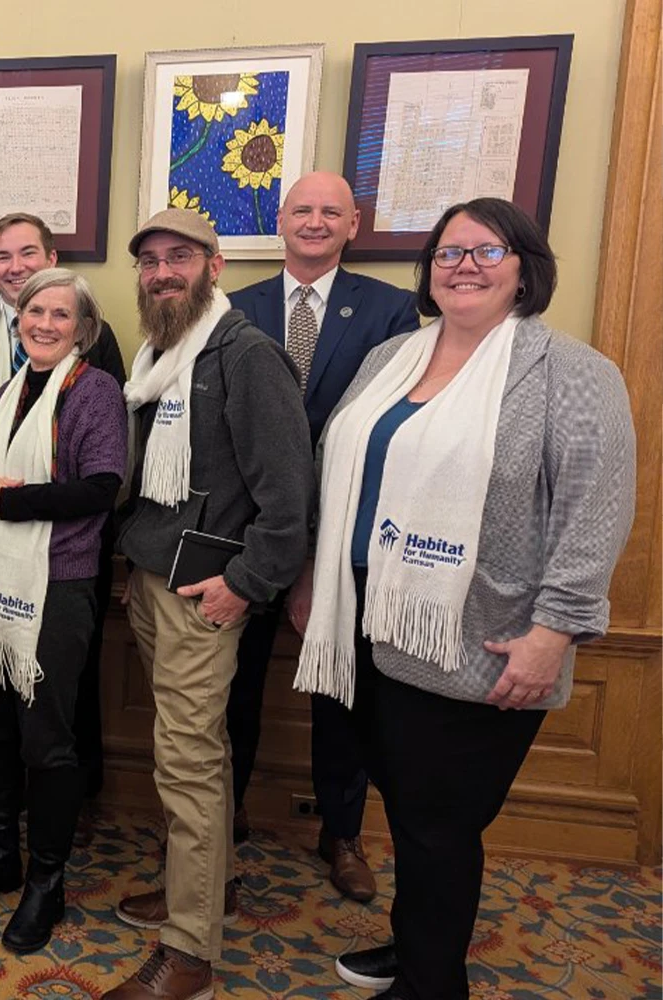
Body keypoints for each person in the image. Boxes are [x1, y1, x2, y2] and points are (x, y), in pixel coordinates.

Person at [296, 199, 635, 1000]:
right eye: (449, 253)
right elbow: (331, 468)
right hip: (368, 627)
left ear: (526, 267)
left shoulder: (571, 373)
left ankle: (430, 980)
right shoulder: (392, 359)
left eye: (487, 251)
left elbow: (594, 512)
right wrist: (314, 578)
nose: (465, 267)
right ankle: (419, 944)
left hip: (481, 638)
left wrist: (555, 632)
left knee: (439, 825)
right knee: (408, 811)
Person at [104, 209, 313, 1000]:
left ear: (215, 266)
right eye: (150, 261)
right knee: (198, 751)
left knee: (187, 761)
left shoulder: (245, 355)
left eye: (179, 258)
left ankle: (189, 953)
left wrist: (249, 584)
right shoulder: (159, 356)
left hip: (209, 591)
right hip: (154, 578)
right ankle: (209, 888)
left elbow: (289, 498)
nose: (162, 273)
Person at [224, 171, 420, 900]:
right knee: (230, 689)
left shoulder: (393, 311)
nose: (314, 221)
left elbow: (393, 427)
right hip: (245, 536)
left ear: (353, 224)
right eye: (302, 209)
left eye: (329, 211)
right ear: (280, 220)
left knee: (341, 692)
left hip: (345, 537)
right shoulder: (232, 308)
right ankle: (227, 814)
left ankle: (341, 832)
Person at [0, 267, 126, 954]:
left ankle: (48, 879)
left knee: (46, 736)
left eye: (60, 315)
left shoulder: (95, 391)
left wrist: (8, 501)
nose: (44, 323)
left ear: (84, 328)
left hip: (56, 585)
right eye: (34, 312)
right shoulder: (8, 392)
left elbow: (102, 488)